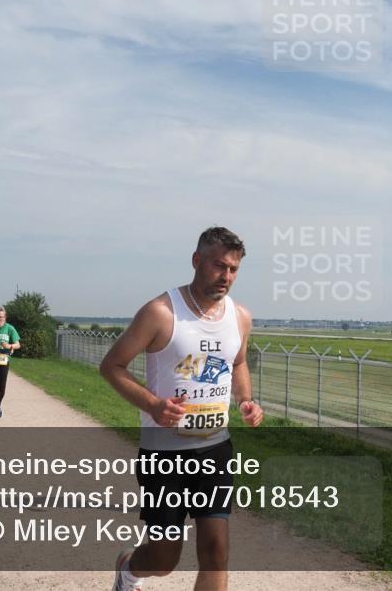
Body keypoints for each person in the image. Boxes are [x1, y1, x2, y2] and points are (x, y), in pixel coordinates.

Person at [100, 226, 263, 591]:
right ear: (196, 261)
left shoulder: (240, 317)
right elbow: (112, 366)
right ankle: (128, 569)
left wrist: (246, 400)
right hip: (164, 454)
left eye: (234, 269)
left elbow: (237, 363)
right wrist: (153, 405)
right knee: (163, 559)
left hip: (215, 449)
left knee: (216, 550)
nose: (226, 276)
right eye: (219, 266)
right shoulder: (160, 312)